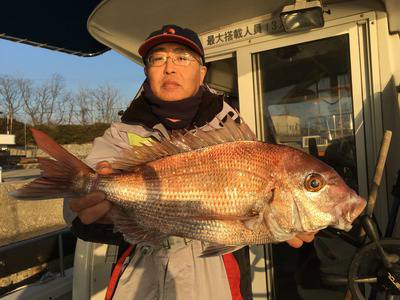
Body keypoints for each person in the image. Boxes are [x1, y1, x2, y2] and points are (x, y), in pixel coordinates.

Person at [64, 24, 315, 300]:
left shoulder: (233, 132)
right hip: (139, 274)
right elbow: (74, 209)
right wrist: (90, 210)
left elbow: (250, 222)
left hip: (215, 275)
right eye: (158, 58)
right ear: (147, 71)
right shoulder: (121, 134)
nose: (169, 67)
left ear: (202, 71)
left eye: (182, 57)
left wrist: (285, 221)